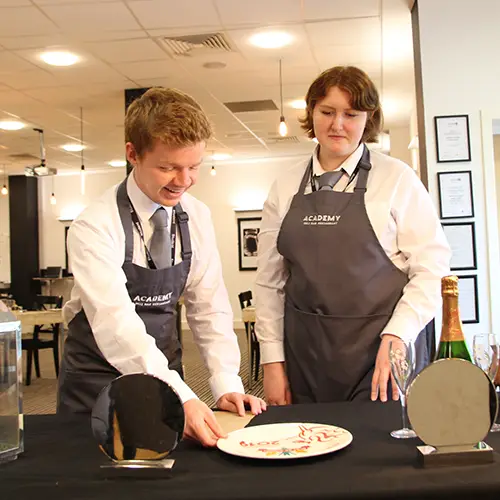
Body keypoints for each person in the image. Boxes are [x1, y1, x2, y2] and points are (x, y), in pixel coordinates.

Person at [58, 87, 266, 446]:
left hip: (166, 374)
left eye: (193, 167)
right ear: (133, 154)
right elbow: (115, 325)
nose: (183, 181)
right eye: (168, 167)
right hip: (97, 382)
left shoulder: (196, 215)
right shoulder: (94, 225)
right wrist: (181, 395)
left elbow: (209, 308)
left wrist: (225, 382)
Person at [254, 66, 451, 405]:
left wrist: (399, 333)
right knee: (306, 447)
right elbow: (269, 281)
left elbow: (432, 269)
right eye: (327, 112)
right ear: (311, 112)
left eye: (351, 114)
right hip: (305, 358)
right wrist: (272, 360)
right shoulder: (285, 186)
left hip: (380, 357)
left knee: (379, 453)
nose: (337, 124)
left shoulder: (396, 179)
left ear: (368, 118)